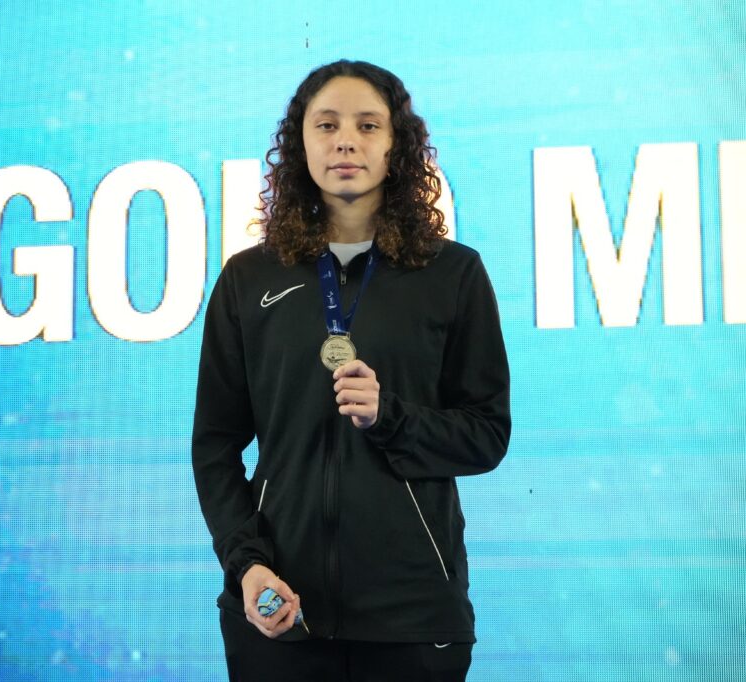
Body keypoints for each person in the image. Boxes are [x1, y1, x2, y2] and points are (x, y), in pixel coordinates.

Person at [192, 59, 510, 681]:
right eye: (327, 124)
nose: (345, 140)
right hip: (279, 613)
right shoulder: (248, 279)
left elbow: (486, 434)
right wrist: (247, 564)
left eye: (368, 126)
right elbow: (214, 447)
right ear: (299, 143)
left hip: (413, 620)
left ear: (397, 146)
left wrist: (389, 417)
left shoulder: (454, 275)